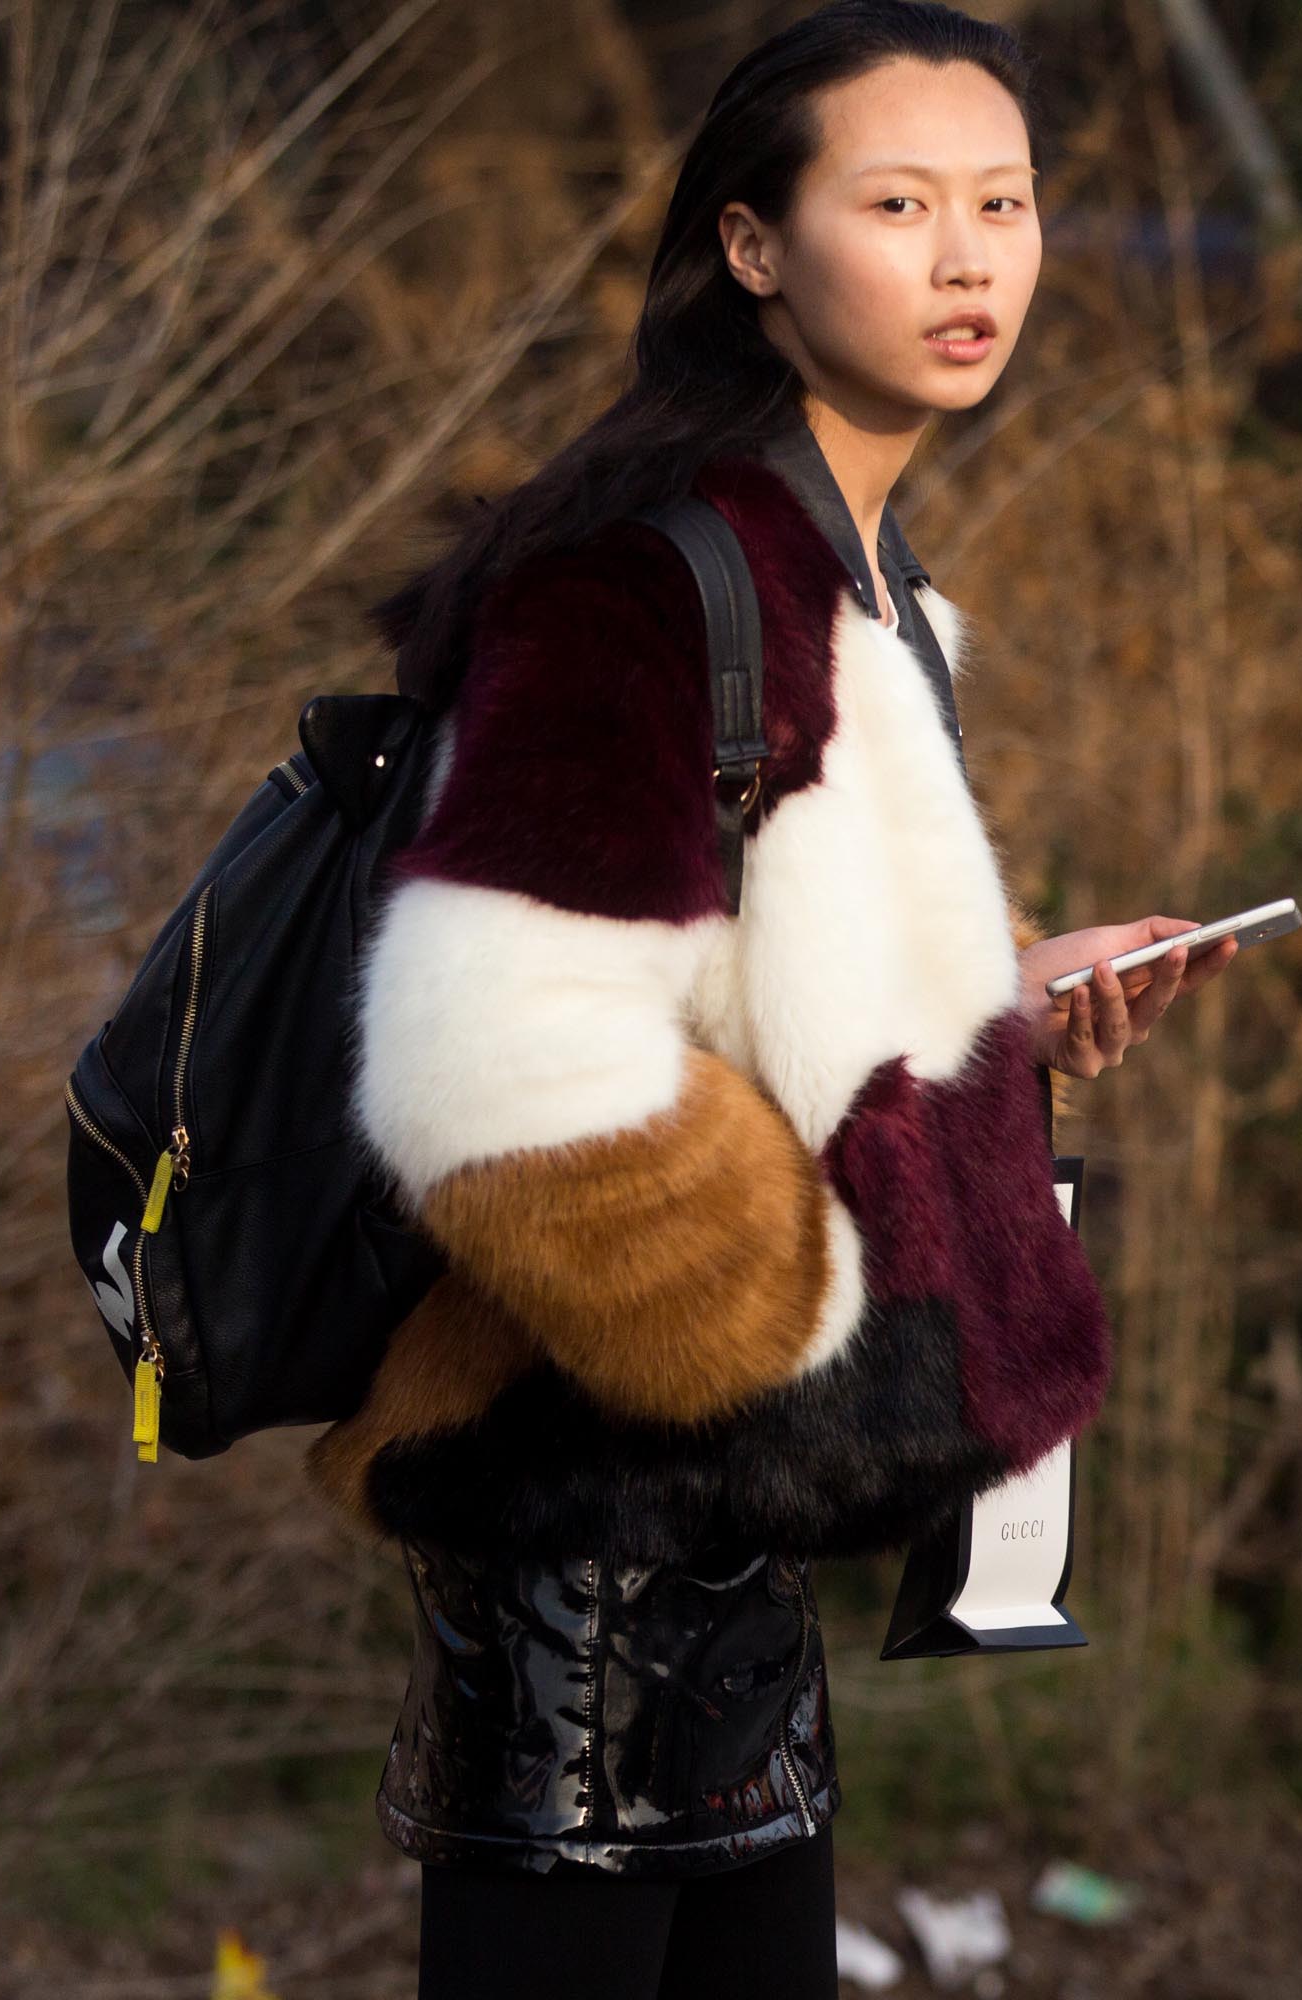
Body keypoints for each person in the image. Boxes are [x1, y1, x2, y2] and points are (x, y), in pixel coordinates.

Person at [305, 4, 1242, 1993]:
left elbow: (726, 976)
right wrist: (790, 1327)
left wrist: (992, 1000)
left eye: (1006, 201)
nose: (973, 256)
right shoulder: (654, 584)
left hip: (715, 1552)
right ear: (754, 249)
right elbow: (495, 1067)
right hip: (601, 1528)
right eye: (899, 204)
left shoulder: (854, 581)